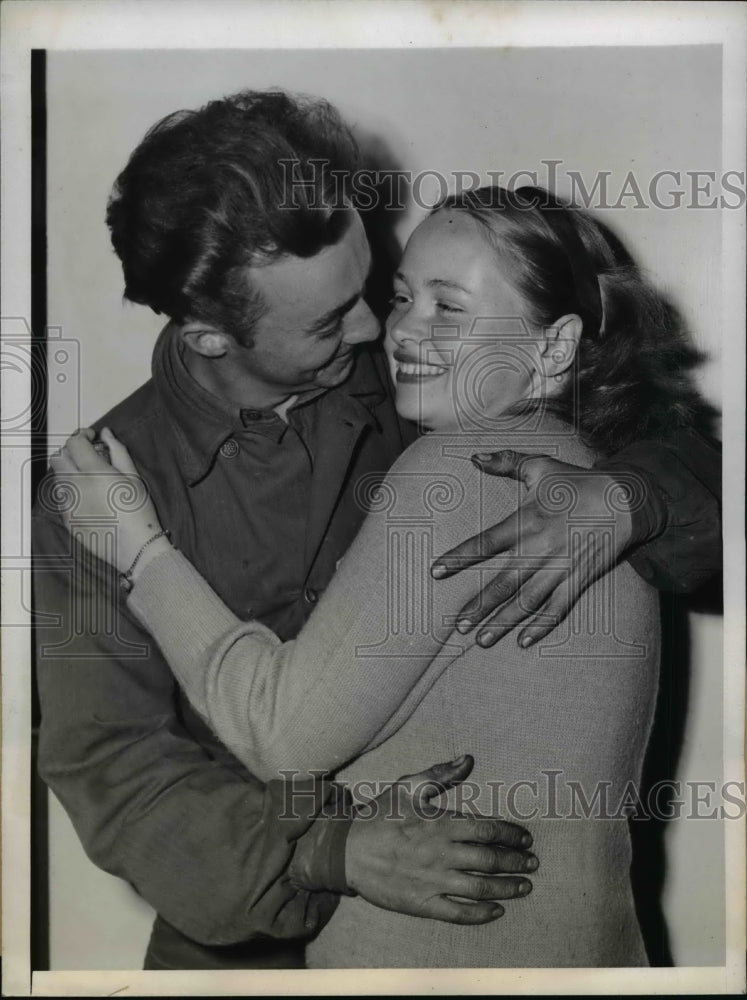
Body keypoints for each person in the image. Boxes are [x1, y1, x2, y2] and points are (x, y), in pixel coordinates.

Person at [34, 89, 721, 971]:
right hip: (242, 943)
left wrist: (628, 497)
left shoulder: (439, 401)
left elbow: (670, 443)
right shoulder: (87, 501)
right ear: (210, 337)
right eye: (335, 318)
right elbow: (115, 776)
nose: (376, 329)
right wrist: (332, 851)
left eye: (372, 288)